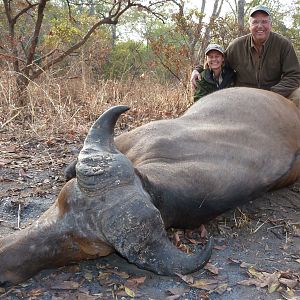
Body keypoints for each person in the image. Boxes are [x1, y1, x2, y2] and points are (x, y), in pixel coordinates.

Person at [191, 5, 300, 106]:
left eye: (264, 22)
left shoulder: (283, 44)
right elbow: (218, 62)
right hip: (244, 94)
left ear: (270, 25)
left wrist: (272, 93)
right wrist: (197, 70)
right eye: (255, 22)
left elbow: (294, 75)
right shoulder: (237, 45)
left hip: (275, 92)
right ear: (250, 26)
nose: (260, 26)